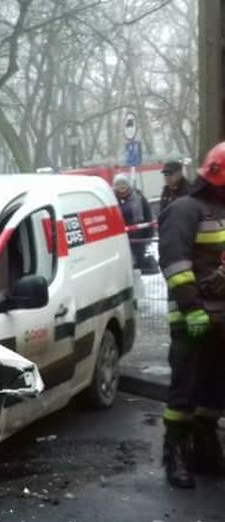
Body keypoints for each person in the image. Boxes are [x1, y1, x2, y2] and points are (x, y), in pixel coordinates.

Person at [157, 141, 225, 488]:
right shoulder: (185, 210)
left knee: (214, 390)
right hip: (192, 320)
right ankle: (176, 456)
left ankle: (205, 448)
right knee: (185, 390)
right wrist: (193, 309)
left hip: (221, 321)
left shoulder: (220, 211)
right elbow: (175, 265)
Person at [113, 172, 158, 274]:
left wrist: (149, 235)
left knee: (138, 262)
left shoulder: (139, 197)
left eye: (123, 183)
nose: (121, 186)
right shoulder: (112, 200)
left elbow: (148, 216)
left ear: (128, 184)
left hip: (139, 237)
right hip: (122, 238)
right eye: (118, 184)